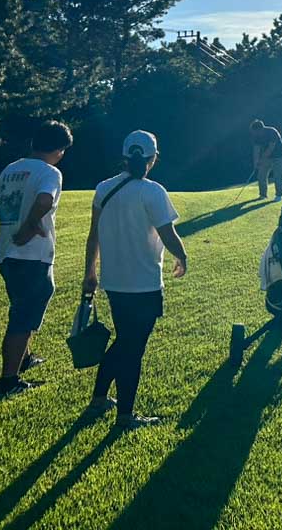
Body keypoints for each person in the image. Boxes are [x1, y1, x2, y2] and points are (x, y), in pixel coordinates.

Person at [82, 130, 188, 429]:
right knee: (132, 348)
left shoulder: (104, 188)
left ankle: (99, 399)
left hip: (114, 281)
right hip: (144, 283)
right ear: (153, 159)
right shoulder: (153, 191)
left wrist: (90, 271)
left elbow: (94, 235)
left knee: (124, 342)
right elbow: (168, 234)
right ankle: (125, 416)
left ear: (125, 156)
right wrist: (183, 256)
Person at [0, 120, 73, 396]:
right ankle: (8, 381)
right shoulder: (50, 172)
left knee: (20, 306)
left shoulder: (10, 169)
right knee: (23, 317)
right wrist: (29, 228)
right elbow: (44, 201)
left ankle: (24, 358)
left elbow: (2, 209)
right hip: (31, 254)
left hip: (5, 251)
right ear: (59, 150)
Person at [250, 119, 282, 201]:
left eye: (255, 131)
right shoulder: (256, 136)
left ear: (260, 129)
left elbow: (271, 148)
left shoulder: (272, 132)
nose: (254, 133)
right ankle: (263, 195)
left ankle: (278, 195)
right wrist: (256, 162)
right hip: (267, 157)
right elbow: (256, 149)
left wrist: (262, 159)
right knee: (261, 175)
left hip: (279, 156)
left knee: (278, 176)